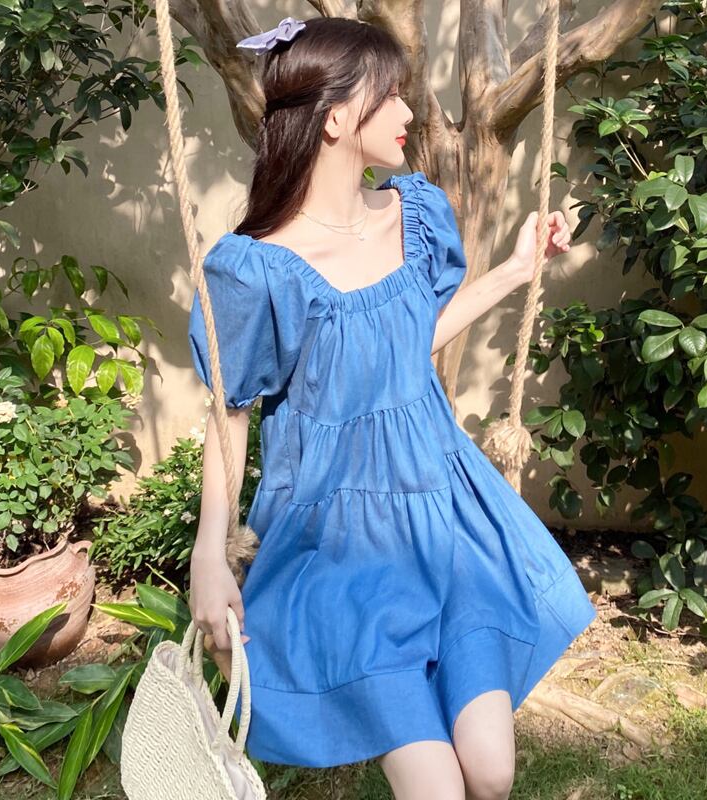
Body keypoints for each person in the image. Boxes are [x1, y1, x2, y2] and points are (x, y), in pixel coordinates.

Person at [187, 15, 595, 800]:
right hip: (343, 545)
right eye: (394, 96)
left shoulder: (415, 214)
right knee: (437, 788)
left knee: (491, 772)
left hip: (445, 512)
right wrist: (210, 554)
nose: (412, 113)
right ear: (337, 116)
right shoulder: (257, 268)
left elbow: (406, 343)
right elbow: (228, 413)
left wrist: (517, 269)